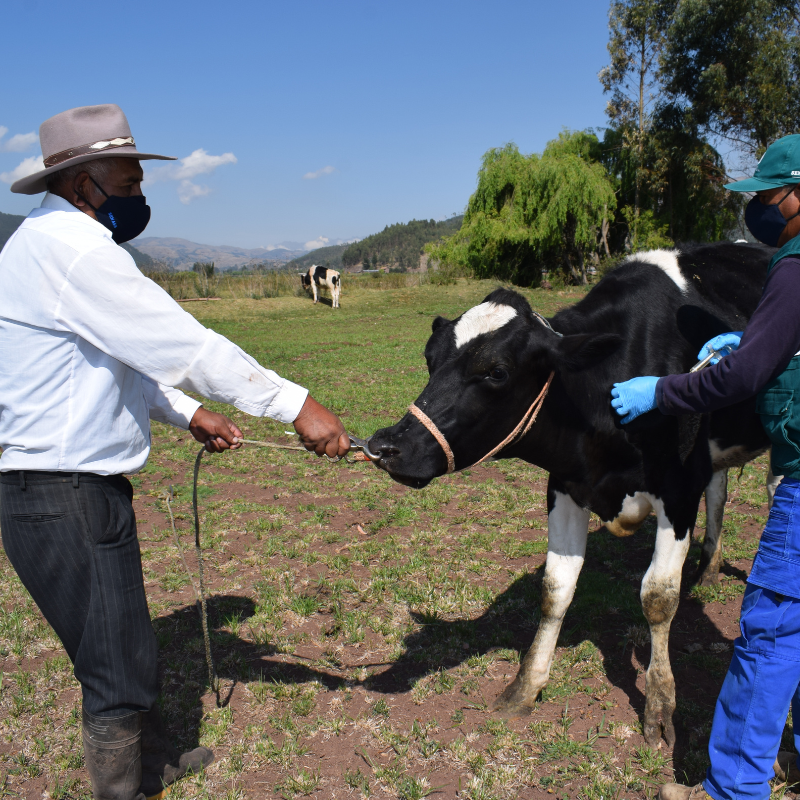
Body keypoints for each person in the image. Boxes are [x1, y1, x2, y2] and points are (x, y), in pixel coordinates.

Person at [0, 104, 351, 800]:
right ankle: (122, 790)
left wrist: (189, 413)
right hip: (64, 493)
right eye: (128, 183)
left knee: (121, 641)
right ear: (82, 183)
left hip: (60, 492)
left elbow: (120, 357)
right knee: (113, 662)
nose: (140, 196)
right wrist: (297, 406)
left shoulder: (39, 245)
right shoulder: (77, 253)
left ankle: (153, 763)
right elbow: (183, 344)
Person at [609, 133, 800, 800]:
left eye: (769, 196)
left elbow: (742, 378)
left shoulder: (794, 265)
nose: (762, 210)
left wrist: (661, 391)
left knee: (773, 629)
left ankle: (731, 790)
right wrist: (756, 339)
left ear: (796, 195)